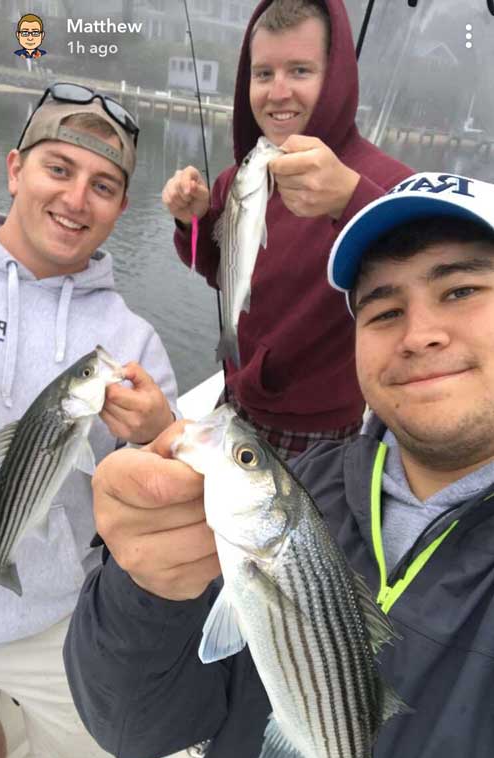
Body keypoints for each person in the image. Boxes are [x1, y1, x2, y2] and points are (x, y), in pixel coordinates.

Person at [65, 170, 494, 758]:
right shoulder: (308, 487)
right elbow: (132, 728)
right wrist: (144, 588)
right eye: (384, 310)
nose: (420, 334)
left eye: (461, 291)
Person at [0, 82, 179, 758]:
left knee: (98, 746)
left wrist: (156, 431)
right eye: (58, 169)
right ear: (14, 169)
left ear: (121, 208)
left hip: (56, 609)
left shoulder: (130, 338)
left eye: (103, 185)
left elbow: (173, 486)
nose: (76, 199)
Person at [161, 0, 412, 459]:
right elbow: (215, 268)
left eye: (299, 71)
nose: (278, 93)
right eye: (263, 74)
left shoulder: (390, 185)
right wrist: (191, 221)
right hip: (235, 402)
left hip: (320, 433)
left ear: (334, 77)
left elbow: (417, 289)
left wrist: (351, 200)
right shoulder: (239, 178)